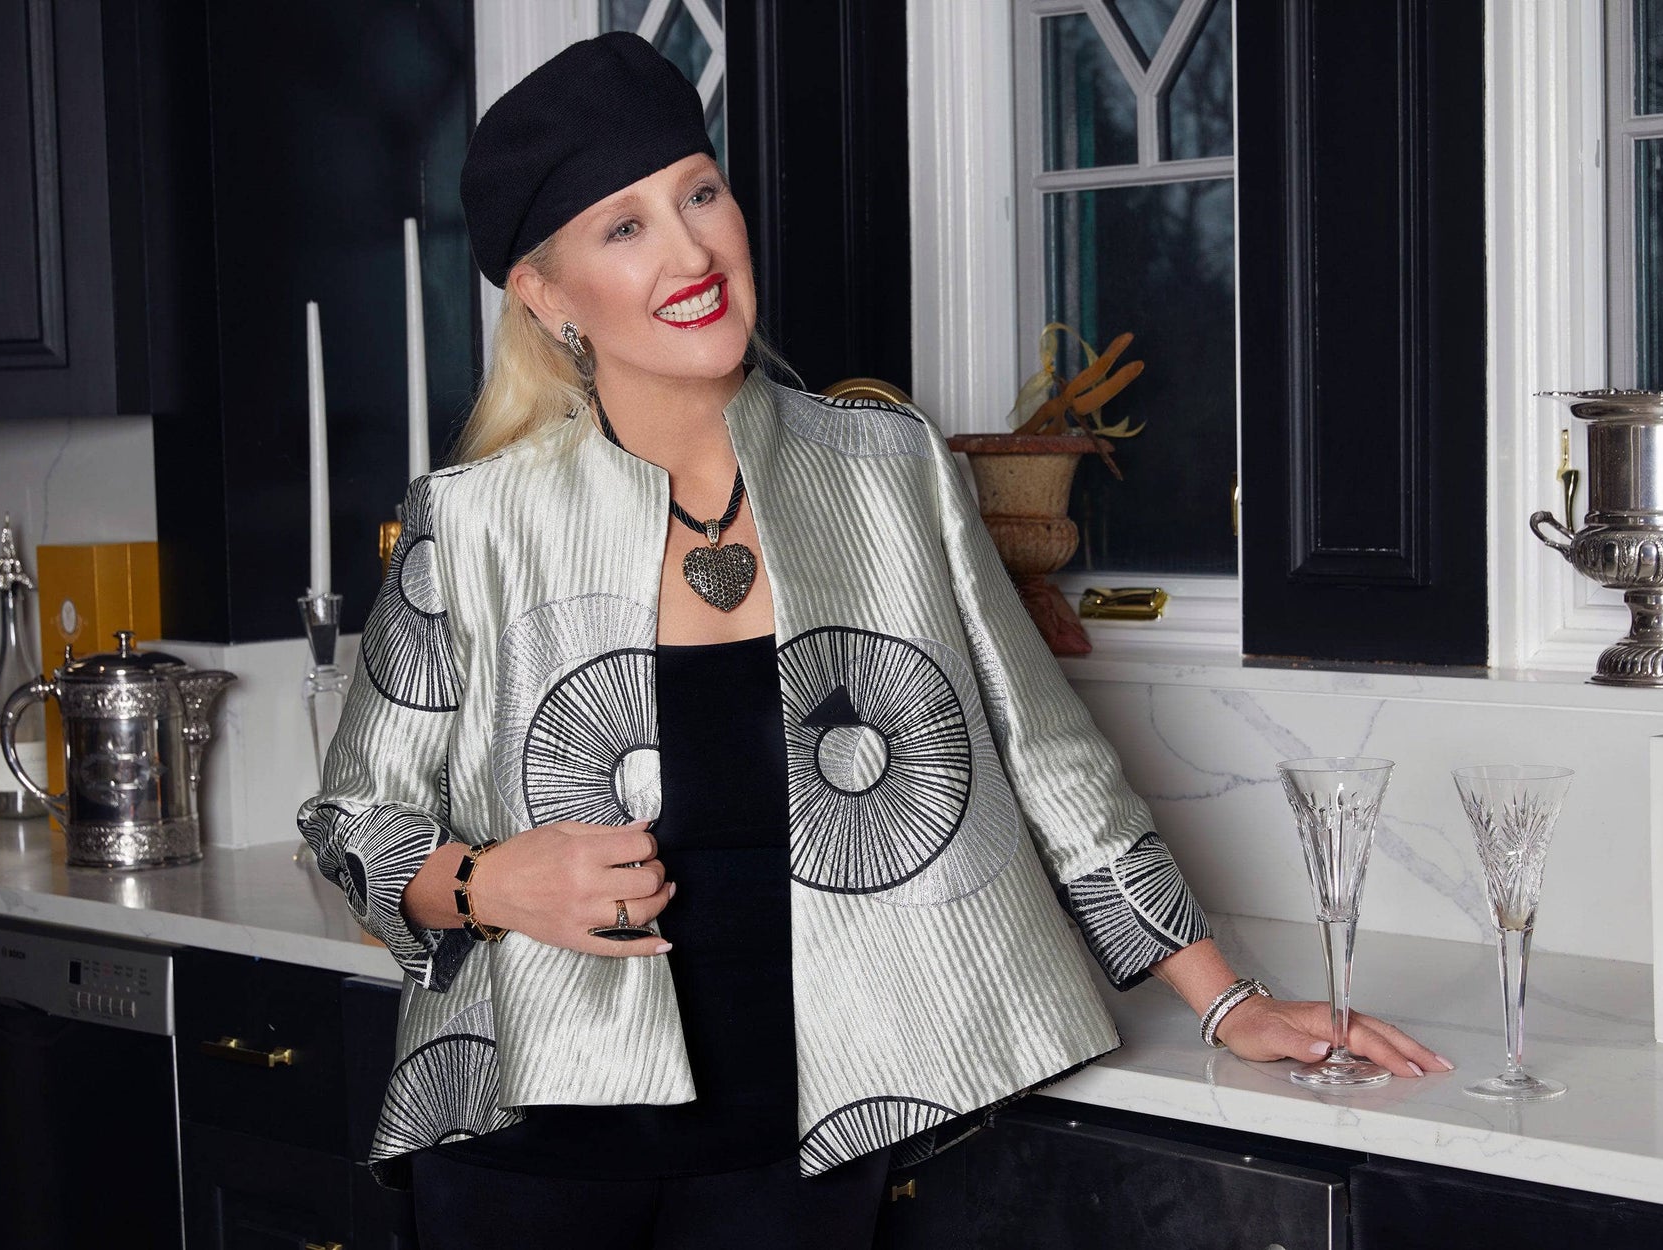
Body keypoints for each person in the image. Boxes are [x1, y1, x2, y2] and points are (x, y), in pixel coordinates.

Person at [297, 30, 1451, 1250]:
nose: (690, 252)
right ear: (544, 293)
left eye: (701, 193)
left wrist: (1228, 1003)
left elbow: (1051, 759)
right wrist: (485, 882)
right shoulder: (473, 522)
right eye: (624, 226)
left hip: (805, 1149)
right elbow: (352, 818)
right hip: (523, 1147)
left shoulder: (890, 469)